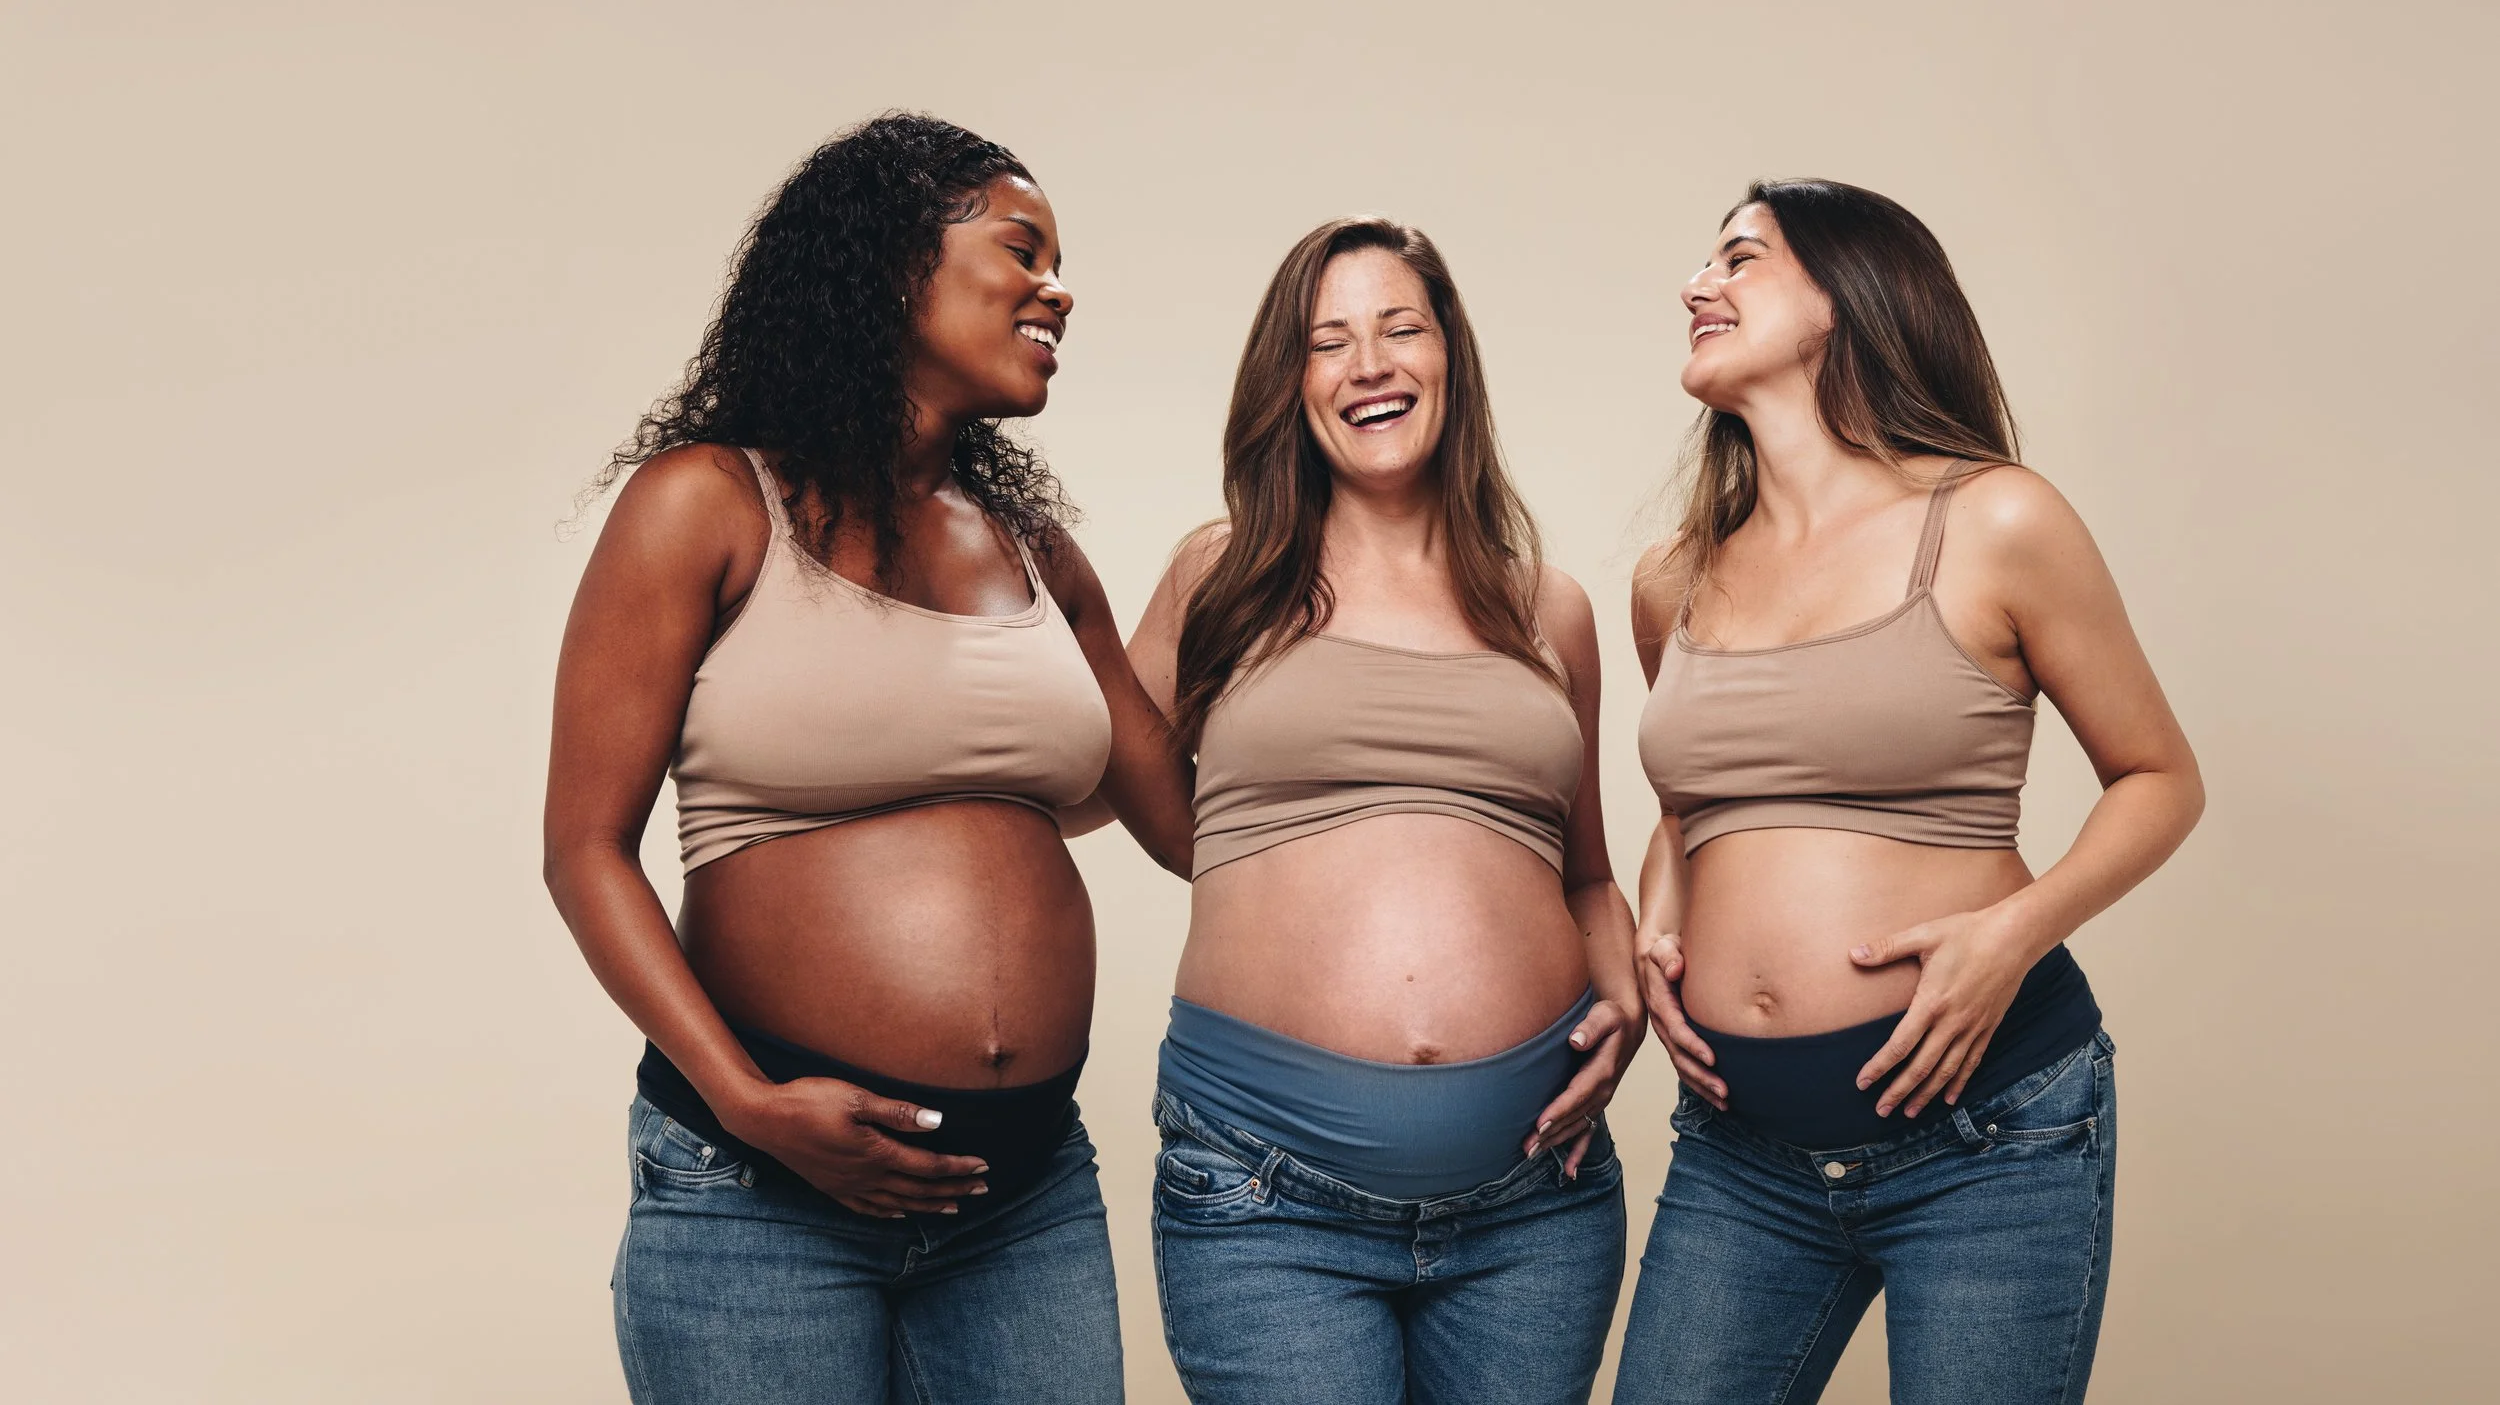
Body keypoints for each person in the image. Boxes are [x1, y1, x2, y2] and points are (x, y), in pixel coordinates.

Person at [542, 112, 1192, 1405]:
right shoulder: (710, 503)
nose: (1060, 288)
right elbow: (584, 850)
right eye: (1024, 248)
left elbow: (1185, 821)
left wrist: (1259, 559)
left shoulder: (1034, 550)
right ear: (897, 262)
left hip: (1023, 1196)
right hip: (760, 1189)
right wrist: (743, 1099)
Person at [1614, 179, 2205, 1405]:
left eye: (1740, 257)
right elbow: (1692, 814)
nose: (1696, 285)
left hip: (1989, 1135)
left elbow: (2159, 778)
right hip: (1741, 1151)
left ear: (1845, 297)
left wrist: (2013, 933)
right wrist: (1655, 930)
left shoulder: (1995, 519)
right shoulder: (1672, 577)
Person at [1126, 216, 1644, 1405]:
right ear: (1290, 381)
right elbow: (1094, 776)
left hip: (1535, 1199)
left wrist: (1624, 1005)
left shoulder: (1546, 609)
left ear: (1449, 356)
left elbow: (1585, 873)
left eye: (1400, 327)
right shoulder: (1222, 576)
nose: (1369, 363)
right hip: (1265, 1191)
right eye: (1329, 340)